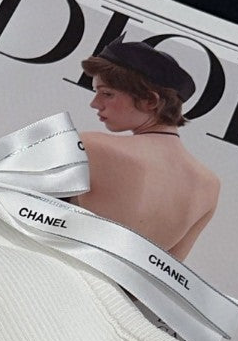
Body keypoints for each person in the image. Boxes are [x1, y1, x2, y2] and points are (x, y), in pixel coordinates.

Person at [75, 38, 218, 261]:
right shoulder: (209, 186)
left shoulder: (90, 146)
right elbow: (165, 274)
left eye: (107, 93)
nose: (95, 103)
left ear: (150, 101)